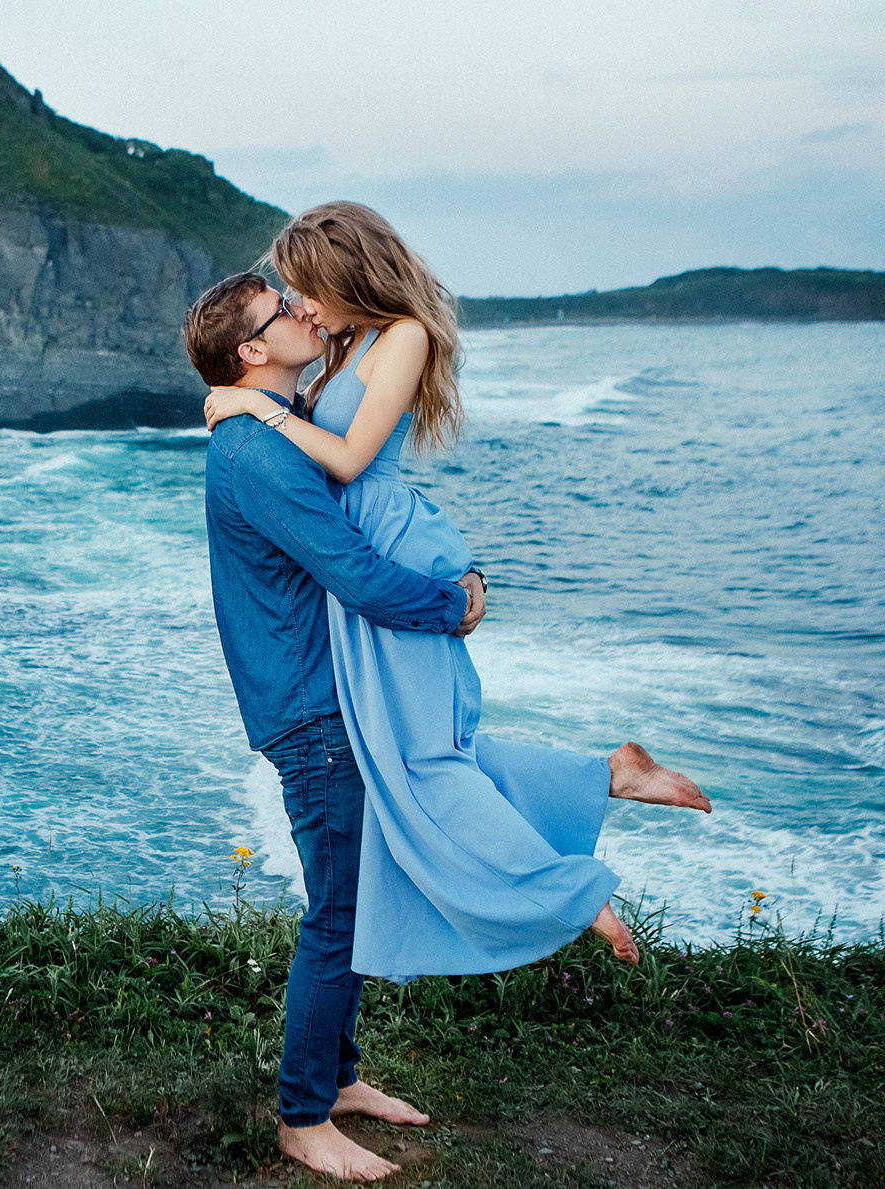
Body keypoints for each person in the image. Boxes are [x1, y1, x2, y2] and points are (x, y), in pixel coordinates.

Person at [201, 201, 710, 986]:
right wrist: (268, 403)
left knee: (427, 759)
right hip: (362, 558)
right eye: (289, 296)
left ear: (346, 275)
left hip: (388, 552)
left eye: (306, 288)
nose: (301, 304)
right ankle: (604, 776)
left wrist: (250, 403)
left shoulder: (402, 334)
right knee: (410, 753)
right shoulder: (346, 342)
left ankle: (568, 894)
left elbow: (345, 458)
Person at [185, 270, 483, 1183]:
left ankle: (339, 1081)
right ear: (251, 351)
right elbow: (351, 568)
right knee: (340, 913)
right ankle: (302, 1115)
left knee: (350, 902)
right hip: (311, 710)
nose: (302, 311)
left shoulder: (269, 429)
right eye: (284, 309)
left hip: (321, 696)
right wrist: (455, 603)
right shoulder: (256, 452)